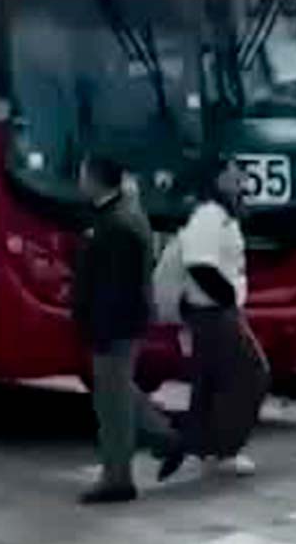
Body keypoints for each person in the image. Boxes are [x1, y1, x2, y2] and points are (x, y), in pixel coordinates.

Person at [72, 155, 183, 505]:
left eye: (81, 175)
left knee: (112, 407)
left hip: (115, 327)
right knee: (119, 391)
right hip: (119, 325)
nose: (78, 182)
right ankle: (167, 438)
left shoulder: (118, 224)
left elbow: (114, 289)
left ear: (95, 179)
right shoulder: (117, 214)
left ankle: (117, 479)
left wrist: (99, 329)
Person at [161, 158, 270, 480]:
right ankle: (225, 449)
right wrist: (225, 299)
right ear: (216, 178)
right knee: (251, 374)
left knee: (211, 382)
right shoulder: (208, 215)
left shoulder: (222, 214)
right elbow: (200, 264)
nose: (241, 176)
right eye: (233, 171)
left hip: (210, 312)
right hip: (213, 312)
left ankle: (201, 445)